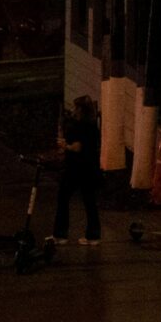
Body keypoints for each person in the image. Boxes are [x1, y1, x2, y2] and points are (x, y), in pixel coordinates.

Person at [53, 95, 101, 245]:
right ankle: (93, 235)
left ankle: (60, 234)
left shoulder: (79, 126)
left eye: (76, 107)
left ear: (81, 110)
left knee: (63, 197)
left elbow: (77, 147)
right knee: (89, 201)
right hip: (90, 167)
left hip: (75, 168)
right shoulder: (93, 127)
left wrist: (65, 146)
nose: (74, 110)